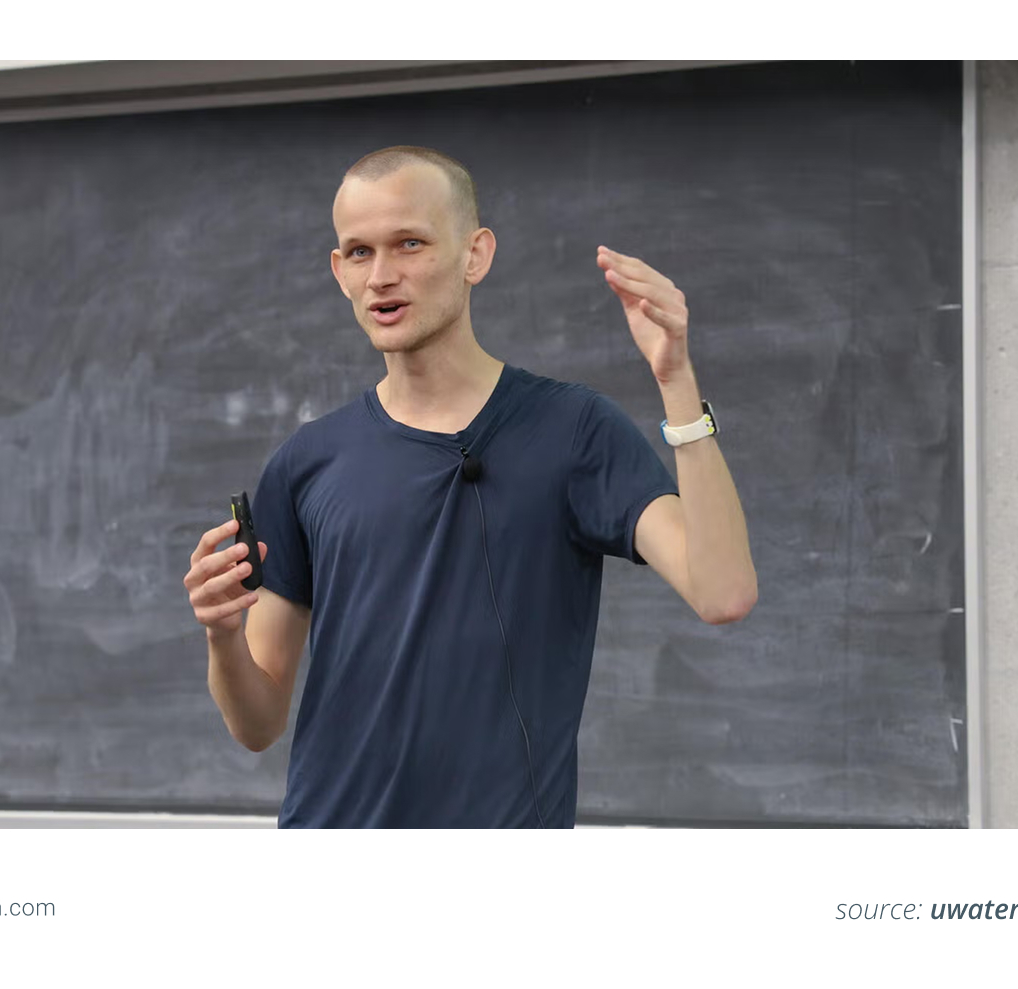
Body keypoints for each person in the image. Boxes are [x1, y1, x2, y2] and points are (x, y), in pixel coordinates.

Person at [184, 146, 757, 827]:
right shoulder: (306, 463)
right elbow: (257, 724)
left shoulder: (574, 429)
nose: (382, 276)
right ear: (340, 272)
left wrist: (676, 381)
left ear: (475, 255)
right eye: (360, 252)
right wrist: (222, 635)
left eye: (410, 243)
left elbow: (722, 592)